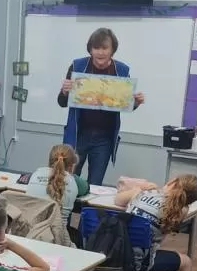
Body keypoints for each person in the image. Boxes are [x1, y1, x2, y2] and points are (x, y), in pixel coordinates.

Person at [57, 27, 145, 186]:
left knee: (95, 186)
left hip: (104, 139)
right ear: (90, 49)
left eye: (104, 48)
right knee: (66, 181)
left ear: (112, 50)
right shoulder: (78, 66)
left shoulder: (122, 70)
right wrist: (64, 91)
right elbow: (62, 102)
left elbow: (125, 105)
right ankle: (65, 211)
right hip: (78, 135)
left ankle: (87, 212)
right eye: (96, 48)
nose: (100, 52)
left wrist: (136, 102)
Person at [25, 144, 89, 224]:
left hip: (28, 230)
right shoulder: (72, 181)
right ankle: (75, 230)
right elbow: (86, 188)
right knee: (77, 207)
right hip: (56, 234)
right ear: (71, 166)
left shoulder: (36, 174)